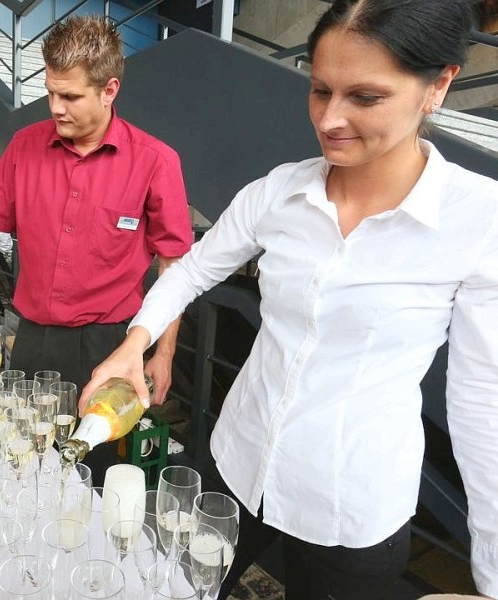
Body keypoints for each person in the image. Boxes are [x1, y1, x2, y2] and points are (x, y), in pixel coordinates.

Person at [83, 1, 498, 598]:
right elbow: (193, 269)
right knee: (168, 586)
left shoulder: (477, 218)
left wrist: (488, 574)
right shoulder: (281, 191)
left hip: (350, 505)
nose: (330, 119)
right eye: (320, 90)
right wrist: (136, 340)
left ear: (438, 86)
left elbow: (481, 403)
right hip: (237, 460)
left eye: (366, 97)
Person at [0, 15, 193, 486]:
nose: (54, 107)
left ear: (109, 90)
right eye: (50, 92)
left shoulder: (155, 161)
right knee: (24, 463)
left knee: (94, 476)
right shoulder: (23, 147)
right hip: (32, 339)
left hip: (109, 344)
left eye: (70, 96)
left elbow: (176, 266)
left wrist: (164, 354)